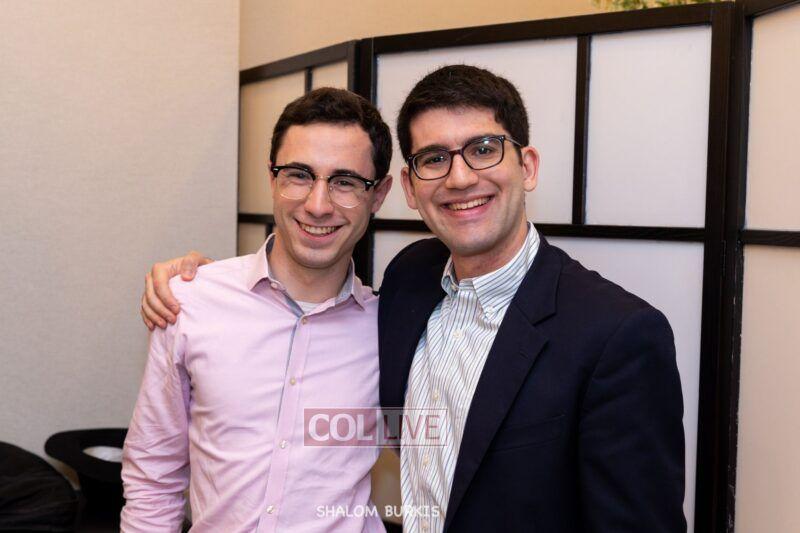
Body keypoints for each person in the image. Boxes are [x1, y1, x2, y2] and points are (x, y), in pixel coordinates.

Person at [142, 66, 686, 533]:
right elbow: (155, 473)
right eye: (434, 158)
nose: (460, 178)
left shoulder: (616, 334)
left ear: (527, 166)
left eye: (483, 149)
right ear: (408, 186)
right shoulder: (408, 285)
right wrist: (199, 281)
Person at [121, 87, 393, 532]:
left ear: (378, 195)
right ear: (272, 178)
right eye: (299, 175)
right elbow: (153, 476)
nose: (318, 205)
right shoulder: (191, 303)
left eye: (345, 182)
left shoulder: (391, 330)